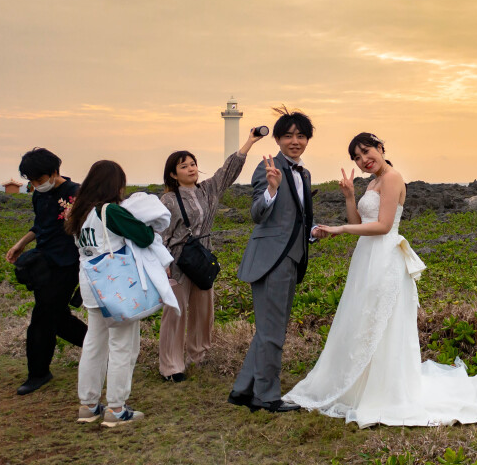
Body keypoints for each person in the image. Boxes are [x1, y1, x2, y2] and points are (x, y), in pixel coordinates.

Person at [283, 133, 477, 428]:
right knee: (362, 318)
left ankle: (384, 390)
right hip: (366, 259)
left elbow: (382, 227)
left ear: (381, 148)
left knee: (383, 322)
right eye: (356, 157)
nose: (363, 160)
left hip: (385, 258)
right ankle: (359, 384)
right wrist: (349, 197)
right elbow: (360, 224)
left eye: (366, 152)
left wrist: (340, 229)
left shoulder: (393, 178)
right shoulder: (372, 182)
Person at [65, 160, 177, 427]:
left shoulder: (79, 213)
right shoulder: (110, 211)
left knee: (94, 345)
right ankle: (116, 407)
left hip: (91, 285)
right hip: (117, 288)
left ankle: (88, 405)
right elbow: (145, 236)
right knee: (122, 347)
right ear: (115, 185)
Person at [228, 108, 323, 413]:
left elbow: (298, 215)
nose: (295, 141)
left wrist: (311, 233)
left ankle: (243, 390)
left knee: (271, 329)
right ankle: (266, 396)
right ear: (279, 139)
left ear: (307, 139)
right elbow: (256, 214)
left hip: (292, 258)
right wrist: (271, 188)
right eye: (289, 135)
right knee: (272, 332)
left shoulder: (303, 172)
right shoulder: (268, 167)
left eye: (301, 135)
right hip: (271, 260)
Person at [158, 128, 264, 383]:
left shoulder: (208, 190)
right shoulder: (168, 200)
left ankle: (198, 355)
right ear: (173, 174)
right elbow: (160, 234)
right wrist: (163, 264)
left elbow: (228, 170)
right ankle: (171, 366)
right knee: (175, 312)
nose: (191, 169)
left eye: (193, 164)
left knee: (203, 310)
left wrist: (249, 142)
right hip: (177, 261)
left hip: (203, 259)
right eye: (184, 166)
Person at [5, 148, 87, 395]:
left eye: (38, 180)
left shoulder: (77, 193)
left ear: (53, 173)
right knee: (57, 317)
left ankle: (38, 373)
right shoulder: (38, 196)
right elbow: (40, 227)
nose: (35, 185)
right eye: (31, 181)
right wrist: (21, 244)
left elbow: (87, 231)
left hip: (67, 264)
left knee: (43, 317)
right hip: (44, 262)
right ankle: (102, 347)